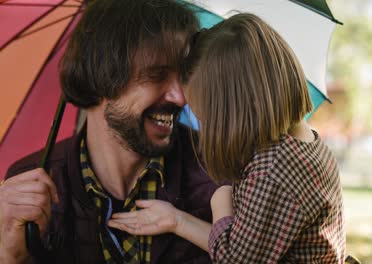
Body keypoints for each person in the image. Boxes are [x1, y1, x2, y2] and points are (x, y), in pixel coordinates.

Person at [108, 13, 346, 263]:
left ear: (243, 103)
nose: (208, 127)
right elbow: (245, 245)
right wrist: (177, 221)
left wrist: (221, 205)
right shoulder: (306, 147)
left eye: (209, 117)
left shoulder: (271, 173)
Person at [0, 0, 219, 263]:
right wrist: (9, 255)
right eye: (157, 75)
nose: (181, 97)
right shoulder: (31, 187)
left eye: (183, 74)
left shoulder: (218, 168)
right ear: (99, 76)